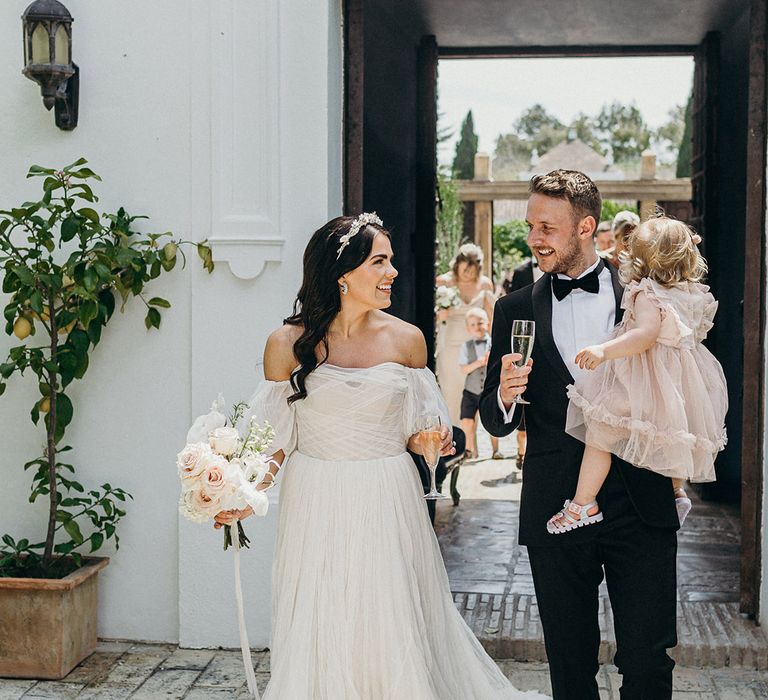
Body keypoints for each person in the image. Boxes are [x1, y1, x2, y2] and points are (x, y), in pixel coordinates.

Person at [215, 214, 547, 699]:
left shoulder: (407, 340)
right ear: (342, 273)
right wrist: (243, 494)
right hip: (316, 497)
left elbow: (420, 429)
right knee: (322, 613)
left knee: (387, 613)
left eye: (390, 261)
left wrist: (432, 441)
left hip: (388, 494)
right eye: (380, 261)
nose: (393, 272)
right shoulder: (285, 344)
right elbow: (275, 442)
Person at [480, 170, 680, 700]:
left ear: (586, 226)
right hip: (555, 501)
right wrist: (503, 393)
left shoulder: (645, 297)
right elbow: (494, 419)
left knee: (647, 657)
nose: (534, 238)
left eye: (547, 227)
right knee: (569, 664)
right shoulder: (513, 308)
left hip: (642, 496)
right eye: (530, 226)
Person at [547, 217, 727, 534]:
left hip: (644, 377)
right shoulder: (694, 293)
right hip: (680, 382)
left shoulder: (646, 293)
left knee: (600, 434)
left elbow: (645, 336)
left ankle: (583, 503)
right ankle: (676, 491)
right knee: (672, 437)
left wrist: (605, 351)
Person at [436, 243, 496, 424]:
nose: (467, 275)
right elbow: (434, 315)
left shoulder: (485, 284)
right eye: (464, 271)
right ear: (457, 264)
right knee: (451, 393)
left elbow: (491, 318)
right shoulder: (444, 282)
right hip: (450, 345)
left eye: (471, 272)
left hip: (475, 348)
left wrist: (492, 348)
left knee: (473, 393)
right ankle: (452, 439)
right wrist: (441, 315)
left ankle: (469, 445)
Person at [458, 307, 501, 460]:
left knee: (492, 419)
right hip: (471, 390)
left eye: (480, 323)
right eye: (473, 324)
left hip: (489, 388)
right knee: (467, 421)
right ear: (468, 328)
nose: (477, 327)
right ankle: (469, 450)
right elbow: (463, 369)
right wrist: (478, 363)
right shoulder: (466, 346)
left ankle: (496, 450)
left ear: (488, 324)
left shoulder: (494, 344)